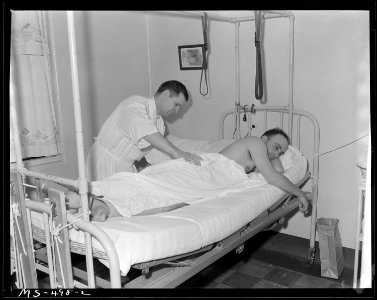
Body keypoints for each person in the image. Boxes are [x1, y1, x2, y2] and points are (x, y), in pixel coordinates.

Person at [86, 80, 202, 181]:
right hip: (103, 163)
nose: (177, 111)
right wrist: (178, 152)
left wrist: (181, 167)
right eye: (176, 104)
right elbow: (143, 129)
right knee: (99, 203)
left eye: (179, 107)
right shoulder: (134, 104)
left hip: (125, 168)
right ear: (166, 94)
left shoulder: (159, 124)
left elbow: (156, 155)